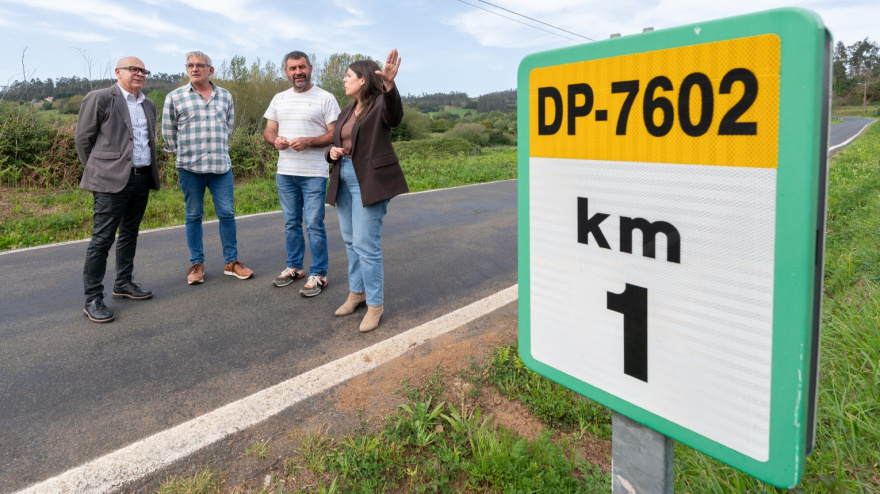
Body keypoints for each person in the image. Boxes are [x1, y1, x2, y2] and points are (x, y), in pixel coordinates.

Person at [326, 49, 408, 333]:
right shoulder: (346, 110)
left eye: (348, 76)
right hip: (344, 176)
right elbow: (342, 140)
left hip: (369, 180)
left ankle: (375, 305)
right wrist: (332, 151)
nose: (344, 80)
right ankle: (356, 294)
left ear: (363, 80)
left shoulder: (380, 105)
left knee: (365, 244)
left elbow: (395, 116)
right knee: (350, 241)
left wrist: (389, 85)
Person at [75, 56, 160, 323]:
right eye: (132, 69)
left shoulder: (148, 104)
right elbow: (83, 139)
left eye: (143, 70)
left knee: (130, 234)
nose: (139, 74)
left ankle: (123, 283)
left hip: (141, 178)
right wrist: (99, 172)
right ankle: (92, 298)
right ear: (118, 72)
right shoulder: (100, 97)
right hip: (110, 180)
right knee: (102, 239)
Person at [162, 51, 254, 284]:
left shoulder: (225, 96)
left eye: (200, 65)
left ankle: (231, 262)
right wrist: (182, 153)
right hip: (190, 168)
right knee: (193, 215)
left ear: (210, 70)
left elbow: (228, 128)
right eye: (190, 65)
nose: (194, 69)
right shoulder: (175, 97)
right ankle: (196, 265)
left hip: (220, 167)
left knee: (227, 213)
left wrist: (216, 148)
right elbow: (168, 132)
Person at [263, 51, 340, 296]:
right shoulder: (279, 98)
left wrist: (308, 141)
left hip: (314, 173)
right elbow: (269, 130)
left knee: (315, 225)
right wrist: (275, 140)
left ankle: (319, 274)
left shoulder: (326, 98)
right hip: (285, 173)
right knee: (291, 223)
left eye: (302, 67)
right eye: (293, 68)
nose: (298, 72)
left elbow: (334, 134)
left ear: (310, 68)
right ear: (286, 71)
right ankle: (295, 267)